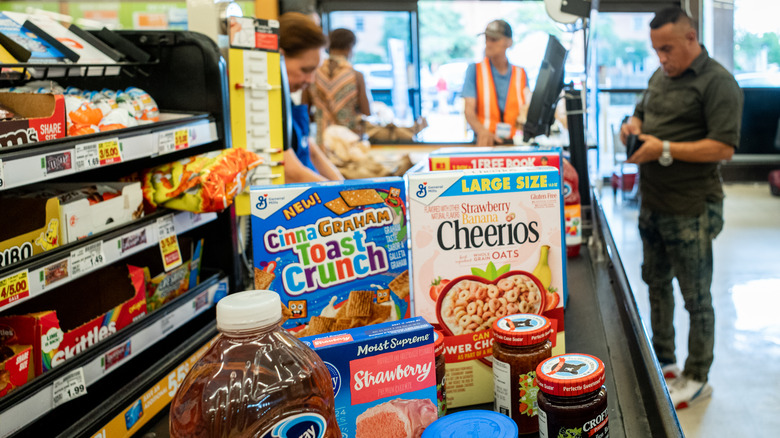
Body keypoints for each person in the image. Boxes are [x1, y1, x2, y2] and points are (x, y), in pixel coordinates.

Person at [620, 6, 743, 409]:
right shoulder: (661, 75)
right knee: (656, 286)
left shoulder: (718, 83)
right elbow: (641, 111)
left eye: (668, 49)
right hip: (652, 203)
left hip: (691, 207)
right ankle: (666, 360)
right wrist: (633, 125)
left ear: (691, 38)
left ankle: (697, 376)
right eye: (656, 50)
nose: (662, 58)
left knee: (696, 298)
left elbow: (723, 147)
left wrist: (665, 148)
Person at [278, 12, 343, 183]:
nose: (311, 80)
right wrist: (341, 194)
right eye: (305, 70)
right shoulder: (264, 105)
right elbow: (290, 171)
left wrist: (344, 185)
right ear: (279, 57)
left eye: (315, 71)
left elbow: (311, 151)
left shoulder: (288, 100)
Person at [462, 19, 531, 146]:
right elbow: (469, 111)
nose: (488, 44)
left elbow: (527, 109)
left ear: (509, 42)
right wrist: (482, 132)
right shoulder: (474, 70)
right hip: (487, 144)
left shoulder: (521, 73)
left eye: (494, 40)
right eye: (486, 39)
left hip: (514, 144)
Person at [306, 28, 371, 146]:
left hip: (323, 144)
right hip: (349, 142)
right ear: (350, 47)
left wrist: (322, 116)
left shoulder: (313, 73)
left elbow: (304, 110)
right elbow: (366, 111)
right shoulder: (355, 75)